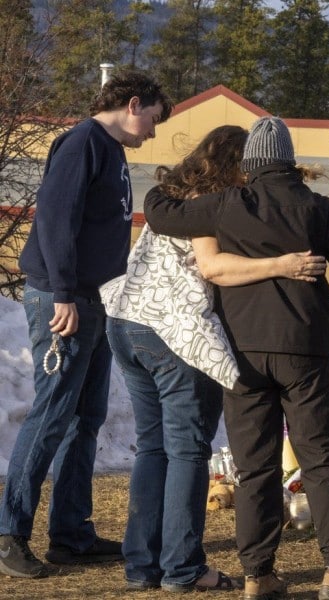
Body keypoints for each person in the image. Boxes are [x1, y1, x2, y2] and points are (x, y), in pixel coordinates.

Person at [144, 116, 329, 600]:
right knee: (321, 463)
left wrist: (171, 179)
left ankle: (259, 575)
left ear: (251, 165)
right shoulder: (315, 207)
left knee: (256, 469)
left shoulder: (225, 206)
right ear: (288, 162)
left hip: (244, 353)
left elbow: (159, 214)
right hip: (306, 351)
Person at [101, 125, 327, 593]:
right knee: (187, 449)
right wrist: (282, 264)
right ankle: (183, 568)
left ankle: (142, 565)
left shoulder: (176, 194)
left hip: (126, 322)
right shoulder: (213, 199)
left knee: (154, 447)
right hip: (174, 333)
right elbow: (212, 267)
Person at [0, 70, 172, 579]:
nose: (154, 133)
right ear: (133, 103)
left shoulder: (109, 149)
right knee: (53, 412)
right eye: (155, 120)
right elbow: (54, 218)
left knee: (85, 416)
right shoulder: (82, 143)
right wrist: (64, 292)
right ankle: (10, 532)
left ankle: (70, 534)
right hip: (66, 300)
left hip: (96, 299)